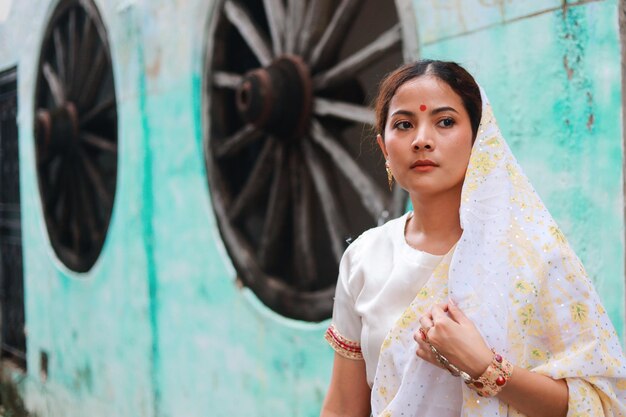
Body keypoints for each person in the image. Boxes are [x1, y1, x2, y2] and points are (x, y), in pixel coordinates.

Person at [320, 59, 626, 417]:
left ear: (480, 139)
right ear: (385, 148)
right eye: (403, 125)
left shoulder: (534, 258)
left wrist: (485, 368)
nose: (422, 140)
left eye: (445, 122)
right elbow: (343, 405)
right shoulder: (364, 257)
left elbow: (601, 404)